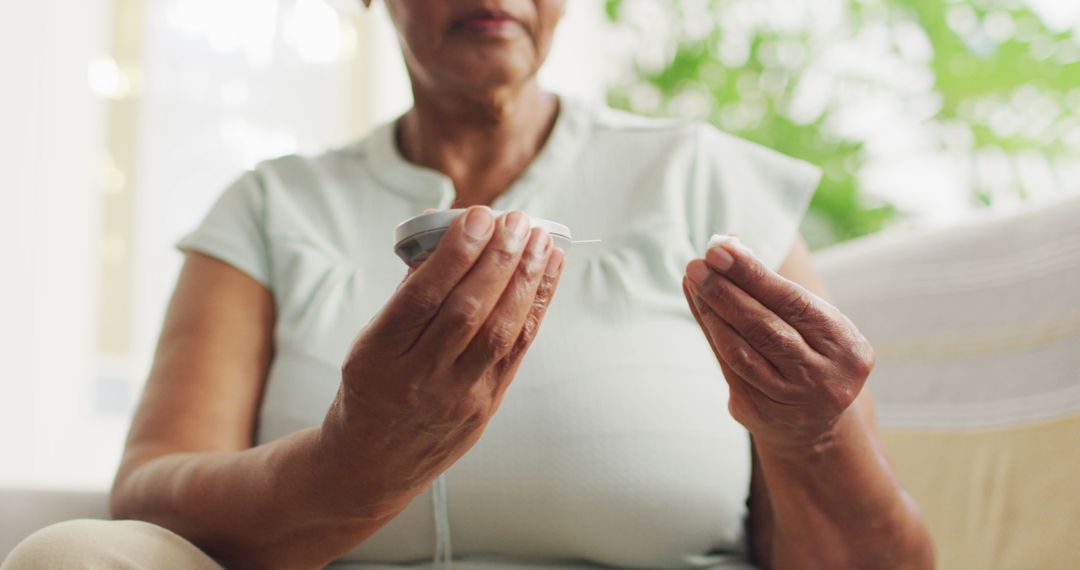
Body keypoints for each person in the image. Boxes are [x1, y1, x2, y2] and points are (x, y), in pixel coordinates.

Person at [2, 1, 933, 569]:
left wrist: (812, 438)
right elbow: (152, 491)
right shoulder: (269, 206)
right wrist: (351, 462)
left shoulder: (709, 183)